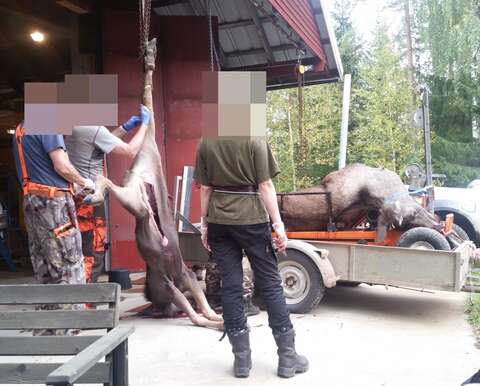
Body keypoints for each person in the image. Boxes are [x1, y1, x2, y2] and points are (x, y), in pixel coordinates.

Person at [194, 137, 308, 378]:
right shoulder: (255, 140)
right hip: (253, 220)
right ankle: (287, 358)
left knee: (231, 286)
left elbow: (205, 188)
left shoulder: (206, 143)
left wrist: (204, 223)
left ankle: (242, 361)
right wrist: (278, 225)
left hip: (219, 223)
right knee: (271, 284)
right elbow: (265, 184)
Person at [12, 122, 94, 334]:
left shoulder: (21, 130)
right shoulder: (47, 124)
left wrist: (71, 185)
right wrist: (84, 182)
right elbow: (61, 166)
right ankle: (69, 329)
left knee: (44, 265)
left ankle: (46, 328)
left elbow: (41, 169)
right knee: (68, 263)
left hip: (32, 203)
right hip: (53, 204)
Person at [64, 105, 151, 283]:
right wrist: (145, 126)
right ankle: (87, 303)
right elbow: (129, 151)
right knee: (93, 252)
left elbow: (101, 142)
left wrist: (125, 128)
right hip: (90, 199)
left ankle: (79, 298)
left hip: (74, 195)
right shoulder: (94, 129)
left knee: (79, 248)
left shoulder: (73, 128)